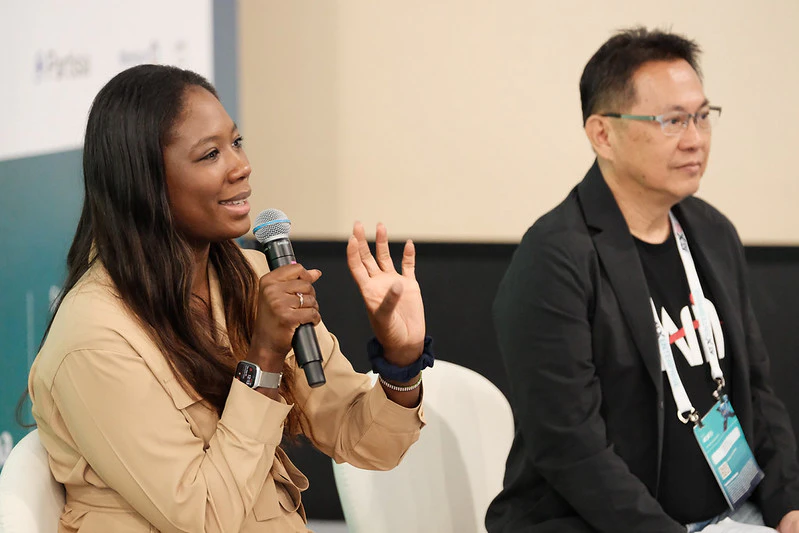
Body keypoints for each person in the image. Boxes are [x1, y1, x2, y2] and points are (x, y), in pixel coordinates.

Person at [28, 64, 432, 533]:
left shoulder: (253, 276)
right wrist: (264, 359)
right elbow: (205, 517)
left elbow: (364, 441)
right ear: (143, 180)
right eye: (210, 154)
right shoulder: (95, 339)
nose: (241, 167)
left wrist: (401, 364)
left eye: (236, 142)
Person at [486, 28, 799, 533]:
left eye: (702, 116)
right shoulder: (555, 259)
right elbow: (572, 448)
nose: (695, 139)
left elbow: (757, 393)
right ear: (602, 135)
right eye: (672, 121)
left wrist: (788, 504)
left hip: (734, 513)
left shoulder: (712, 233)